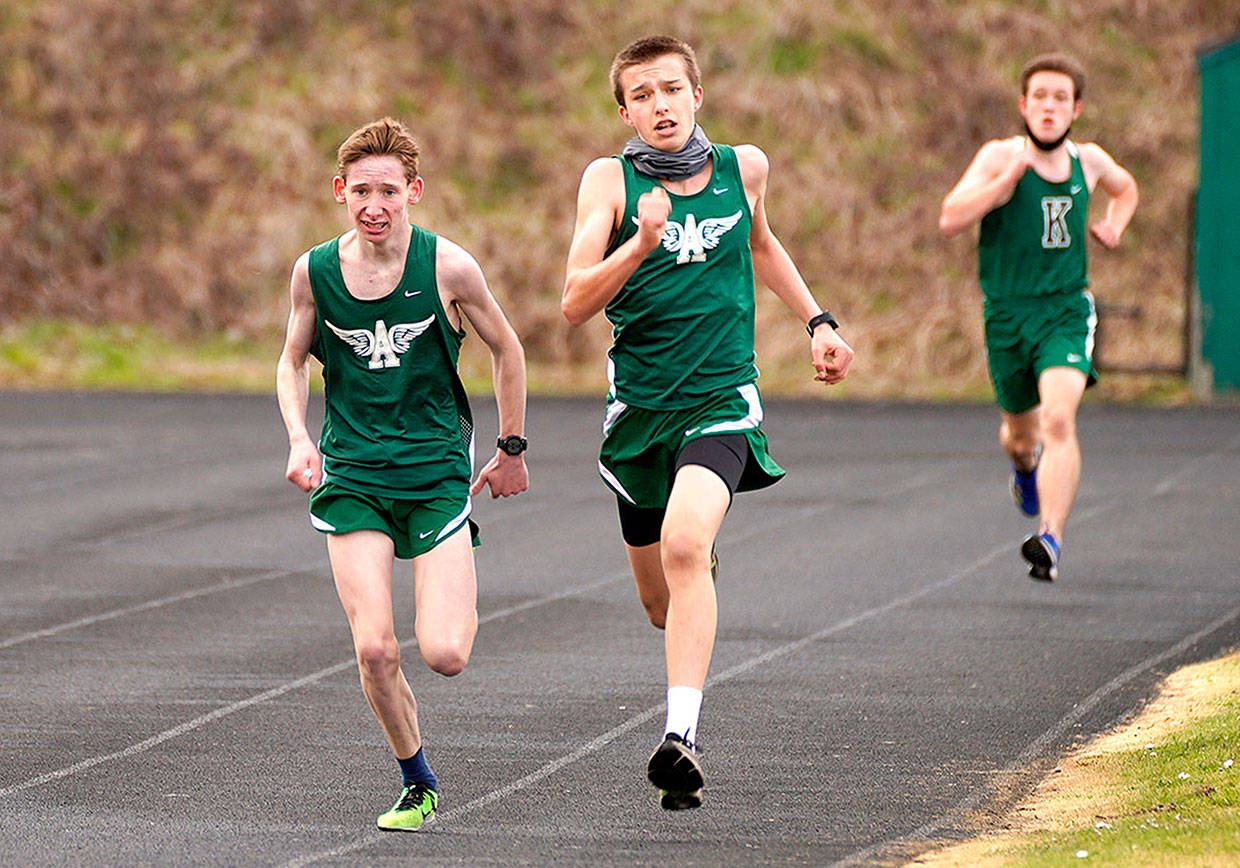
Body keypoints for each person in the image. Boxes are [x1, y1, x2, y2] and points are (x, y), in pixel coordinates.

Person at [562, 35, 855, 810]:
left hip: (723, 397)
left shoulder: (743, 168)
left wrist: (817, 321)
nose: (660, 105)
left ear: (698, 96)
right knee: (662, 600)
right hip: (638, 418)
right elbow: (574, 301)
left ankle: (680, 738)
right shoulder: (610, 183)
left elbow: (761, 244)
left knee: (688, 544)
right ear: (623, 110)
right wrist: (642, 243)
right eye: (643, 95)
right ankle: (695, 580)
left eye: (671, 90)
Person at [276, 117, 528, 831]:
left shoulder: (448, 267)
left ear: (413, 192)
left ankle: (456, 591)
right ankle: (417, 781)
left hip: (436, 474)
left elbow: (508, 350)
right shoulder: (314, 272)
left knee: (445, 653)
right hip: (353, 475)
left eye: (389, 190)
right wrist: (300, 438)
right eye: (361, 190)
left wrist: (511, 447)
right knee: (376, 648)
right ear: (339, 191)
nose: (374, 204)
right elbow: (292, 359)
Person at [938, 53, 1138, 582]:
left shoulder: (1088, 160)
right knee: (1020, 435)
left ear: (1076, 109)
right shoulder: (999, 156)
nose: (1050, 107)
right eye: (1040, 97)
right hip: (1007, 315)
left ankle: (1050, 538)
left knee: (1058, 419)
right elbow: (950, 218)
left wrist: (1115, 223)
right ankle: (1025, 469)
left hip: (1066, 312)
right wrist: (1003, 186)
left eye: (1061, 98)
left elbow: (1126, 187)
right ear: (1024, 105)